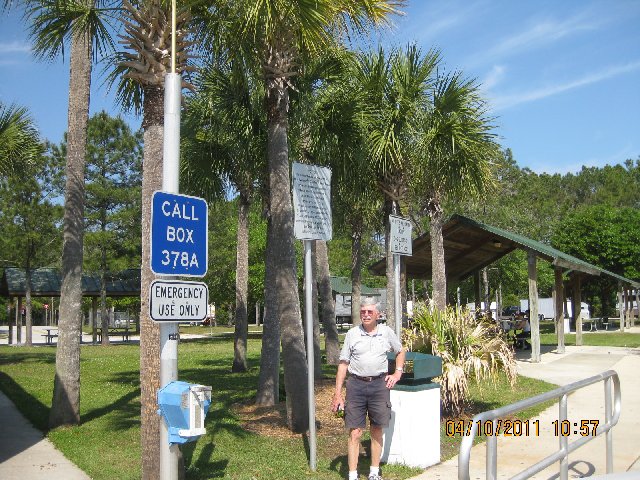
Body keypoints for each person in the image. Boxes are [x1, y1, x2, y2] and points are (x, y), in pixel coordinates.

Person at [332, 300, 406, 480]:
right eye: (363, 311)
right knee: (355, 432)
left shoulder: (386, 332)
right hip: (356, 386)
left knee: (376, 429)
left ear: (377, 315)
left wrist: (397, 373)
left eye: (369, 312)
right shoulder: (352, 334)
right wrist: (337, 394)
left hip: (379, 385)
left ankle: (374, 472)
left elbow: (400, 351)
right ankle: (352, 475)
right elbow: (343, 364)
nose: (365, 315)